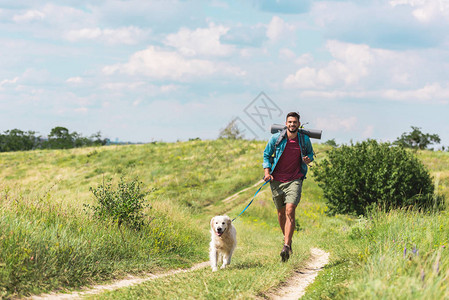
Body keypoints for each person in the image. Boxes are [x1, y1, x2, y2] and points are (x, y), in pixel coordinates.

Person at [263, 112, 314, 262]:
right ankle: (288, 242)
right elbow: (266, 155)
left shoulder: (304, 140)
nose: (292, 124)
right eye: (290, 122)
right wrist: (267, 172)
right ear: (286, 123)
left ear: (299, 124)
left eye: (295, 122)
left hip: (295, 179)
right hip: (277, 180)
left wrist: (307, 159)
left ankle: (285, 246)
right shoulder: (276, 138)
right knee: (280, 214)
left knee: (290, 210)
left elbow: (311, 153)